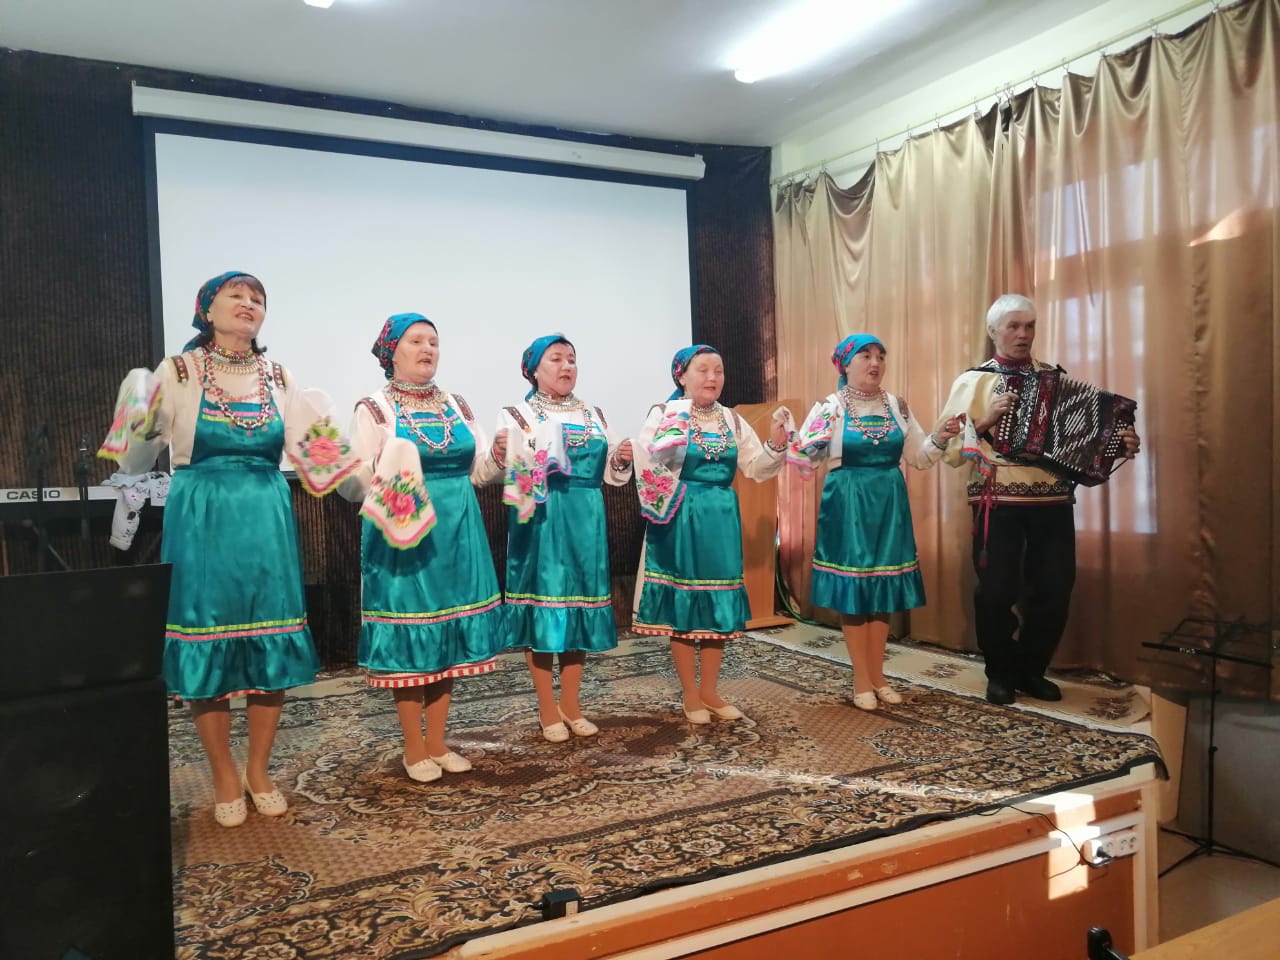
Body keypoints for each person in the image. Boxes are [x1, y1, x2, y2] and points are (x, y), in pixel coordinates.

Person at [100, 271, 353, 827]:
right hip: (203, 513)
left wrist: (375, 481)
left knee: (270, 639)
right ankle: (221, 773)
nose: (248, 303)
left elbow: (322, 458)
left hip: (265, 514)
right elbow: (135, 462)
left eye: (257, 298)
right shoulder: (178, 371)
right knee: (206, 640)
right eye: (235, 295)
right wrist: (134, 417)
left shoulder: (280, 376)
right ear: (206, 310)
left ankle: (258, 769)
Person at [932, 294, 1140, 705]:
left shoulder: (1055, 378)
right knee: (996, 592)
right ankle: (1000, 672)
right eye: (1013, 326)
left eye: (1029, 326)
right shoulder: (973, 381)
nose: (1023, 334)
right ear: (993, 331)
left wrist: (1118, 444)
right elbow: (949, 451)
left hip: (1054, 501)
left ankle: (1030, 670)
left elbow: (1081, 440)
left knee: (1054, 590)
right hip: (997, 502)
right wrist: (986, 420)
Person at [339, 313, 508, 782]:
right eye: (415, 341)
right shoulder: (373, 409)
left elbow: (478, 472)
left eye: (433, 341)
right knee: (414, 637)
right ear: (391, 352)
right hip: (404, 534)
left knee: (448, 634)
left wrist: (498, 455)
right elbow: (352, 485)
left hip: (459, 528)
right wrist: (380, 464)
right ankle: (414, 748)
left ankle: (437, 742)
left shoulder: (456, 403)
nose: (427, 348)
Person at [789, 334, 963, 710]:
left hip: (889, 501)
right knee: (855, 590)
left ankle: (878, 676)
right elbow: (804, 460)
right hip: (847, 502)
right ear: (845, 364)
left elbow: (919, 457)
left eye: (880, 356)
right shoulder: (830, 407)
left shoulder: (897, 405)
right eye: (865, 356)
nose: (875, 363)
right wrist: (795, 443)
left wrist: (939, 437)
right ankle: (861, 678)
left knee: (882, 589)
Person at [633, 345, 789, 723]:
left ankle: (710, 691)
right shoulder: (666, 414)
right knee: (686, 606)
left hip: (721, 519)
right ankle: (690, 693)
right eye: (703, 370)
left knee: (717, 603)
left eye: (718, 370)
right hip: (681, 517)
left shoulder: (731, 419)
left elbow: (756, 468)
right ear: (681, 376)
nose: (712, 377)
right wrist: (666, 503)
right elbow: (646, 462)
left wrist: (776, 443)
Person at [496, 335, 634, 742]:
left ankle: (571, 705)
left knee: (579, 613)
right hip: (542, 520)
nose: (566, 366)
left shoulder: (594, 414)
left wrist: (620, 458)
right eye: (556, 359)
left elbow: (611, 475)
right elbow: (509, 473)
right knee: (545, 613)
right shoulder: (516, 415)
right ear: (534, 369)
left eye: (571, 359)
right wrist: (507, 453)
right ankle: (546, 708)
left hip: (586, 519)